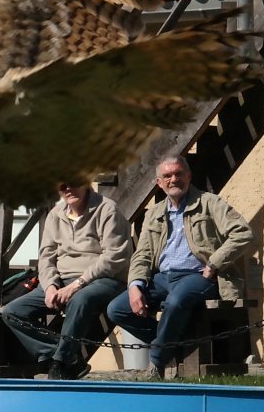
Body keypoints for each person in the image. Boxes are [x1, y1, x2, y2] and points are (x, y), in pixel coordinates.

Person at [107, 154, 256, 380]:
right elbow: (143, 253)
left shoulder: (210, 203)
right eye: (167, 176)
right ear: (159, 183)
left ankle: (157, 362)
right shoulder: (155, 213)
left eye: (178, 174)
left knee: (176, 301)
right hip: (162, 278)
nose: (173, 179)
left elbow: (243, 233)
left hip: (199, 277)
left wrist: (213, 264)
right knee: (116, 309)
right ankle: (173, 345)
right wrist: (135, 285)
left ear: (189, 176)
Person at [1, 184, 132, 380]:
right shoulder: (55, 214)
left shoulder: (107, 209)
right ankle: (69, 358)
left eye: (74, 184)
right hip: (62, 280)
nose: (69, 189)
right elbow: (46, 257)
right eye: (63, 186)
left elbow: (114, 258)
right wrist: (50, 286)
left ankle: (61, 361)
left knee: (79, 299)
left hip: (104, 279)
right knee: (12, 312)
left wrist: (76, 285)